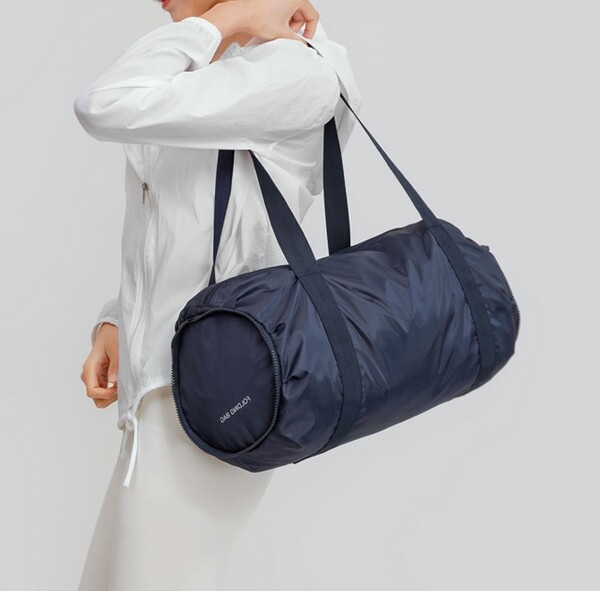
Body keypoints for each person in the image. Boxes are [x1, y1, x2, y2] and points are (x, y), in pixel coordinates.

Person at [74, 0, 362, 588]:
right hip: (162, 392)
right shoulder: (216, 67)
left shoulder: (294, 70)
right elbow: (187, 226)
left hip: (218, 392)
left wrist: (228, 17)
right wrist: (119, 319)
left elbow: (103, 103)